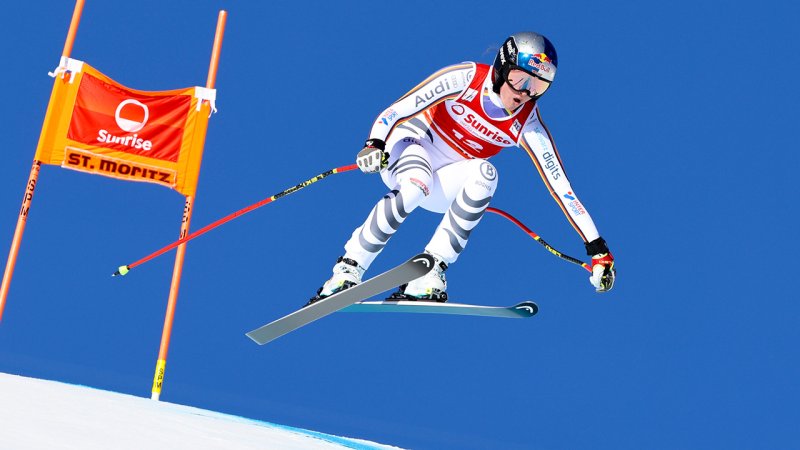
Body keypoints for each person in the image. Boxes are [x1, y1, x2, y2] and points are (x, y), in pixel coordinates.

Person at [309, 31, 615, 304]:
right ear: (501, 68)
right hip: (411, 147)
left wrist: (598, 250)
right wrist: (374, 143)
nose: (524, 93)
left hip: (445, 180)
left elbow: (562, 188)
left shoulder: (528, 126)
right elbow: (398, 110)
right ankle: (348, 268)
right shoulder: (466, 78)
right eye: (521, 80)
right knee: (416, 184)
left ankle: (429, 270)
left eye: (538, 87)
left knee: (486, 174)